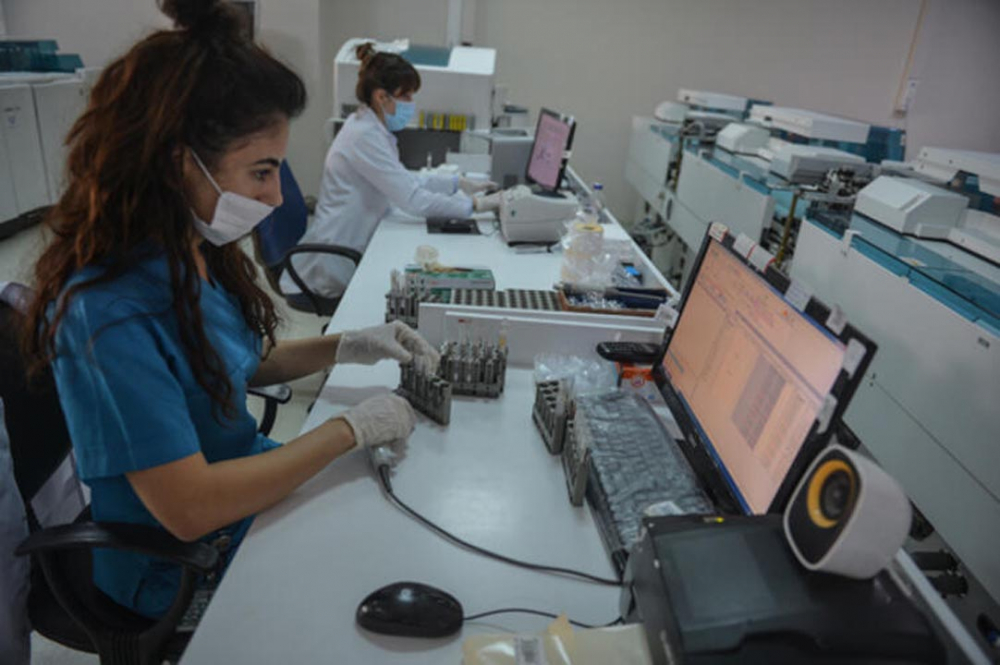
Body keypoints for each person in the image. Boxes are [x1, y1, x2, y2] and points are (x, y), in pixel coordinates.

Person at [21, 0, 435, 620]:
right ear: (178, 161)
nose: (274, 195)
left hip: (245, 497)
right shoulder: (106, 312)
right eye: (261, 171)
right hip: (176, 569)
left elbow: (238, 360)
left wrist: (349, 343)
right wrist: (346, 431)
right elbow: (189, 507)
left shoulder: (187, 249)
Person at [279, 42, 501, 300]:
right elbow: (412, 200)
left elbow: (402, 178)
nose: (411, 103)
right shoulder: (363, 136)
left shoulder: (369, 128)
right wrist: (474, 206)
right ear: (381, 97)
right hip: (339, 259)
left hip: (353, 241)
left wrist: (456, 183)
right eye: (405, 96)